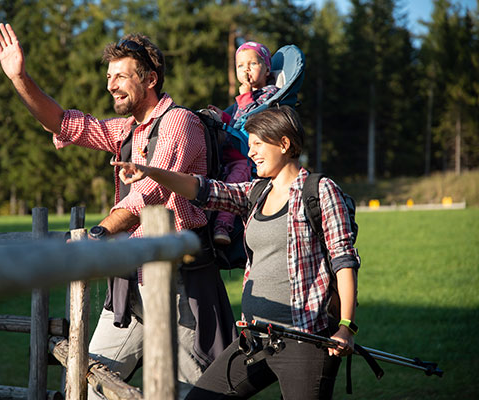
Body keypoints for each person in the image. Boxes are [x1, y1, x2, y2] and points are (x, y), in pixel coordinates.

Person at [0, 23, 236, 399]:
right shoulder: (125, 130)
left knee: (192, 394)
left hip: (180, 285)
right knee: (86, 384)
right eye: (109, 76)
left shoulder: (180, 124)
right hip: (130, 284)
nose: (110, 85)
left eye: (121, 76)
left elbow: (149, 193)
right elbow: (63, 123)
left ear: (150, 79)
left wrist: (98, 235)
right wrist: (20, 77)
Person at [112, 106, 360, 399]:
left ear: (284, 143)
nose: (251, 152)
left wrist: (345, 327)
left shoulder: (320, 191)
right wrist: (151, 172)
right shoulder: (256, 193)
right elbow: (203, 189)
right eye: (250, 144)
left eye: (258, 144)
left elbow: (343, 260)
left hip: (305, 340)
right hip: (255, 338)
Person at [208, 41, 279, 245]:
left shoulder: (270, 94)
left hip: (246, 156)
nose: (246, 69)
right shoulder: (246, 96)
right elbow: (237, 122)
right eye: (240, 65)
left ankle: (223, 226)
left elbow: (250, 122)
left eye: (253, 64)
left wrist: (245, 95)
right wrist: (221, 116)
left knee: (234, 181)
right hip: (230, 152)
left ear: (266, 70)